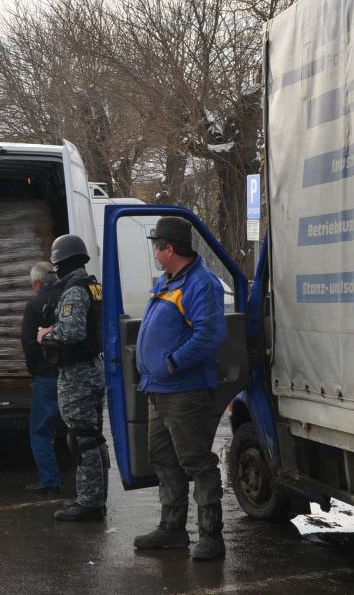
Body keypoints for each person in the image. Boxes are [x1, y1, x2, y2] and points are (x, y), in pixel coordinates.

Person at [133, 216, 227, 561]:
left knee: (196, 462)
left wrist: (172, 362)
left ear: (169, 249)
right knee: (163, 457)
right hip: (159, 389)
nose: (155, 251)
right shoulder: (168, 280)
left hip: (184, 390)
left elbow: (210, 335)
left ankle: (211, 537)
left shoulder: (201, 284)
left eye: (157, 245)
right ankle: (172, 530)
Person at [37, 234, 109, 521]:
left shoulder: (75, 291)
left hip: (78, 374)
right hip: (93, 368)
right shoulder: (93, 287)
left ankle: (90, 502)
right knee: (92, 437)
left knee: (82, 439)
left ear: (61, 264)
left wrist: (46, 335)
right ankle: (97, 497)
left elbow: (73, 332)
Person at [20, 261, 62, 495]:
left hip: (46, 376)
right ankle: (86, 479)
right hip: (70, 373)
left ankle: (49, 481)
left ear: (37, 282)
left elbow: (28, 343)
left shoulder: (35, 304)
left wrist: (34, 371)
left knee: (40, 430)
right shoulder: (69, 298)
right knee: (80, 430)